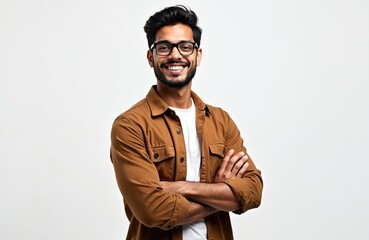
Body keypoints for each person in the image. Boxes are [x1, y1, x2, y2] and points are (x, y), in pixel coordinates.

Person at [110, 5, 263, 240]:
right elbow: (153, 210)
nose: (175, 55)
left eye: (185, 46)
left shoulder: (221, 122)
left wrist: (180, 187)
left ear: (197, 55)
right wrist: (220, 193)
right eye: (164, 47)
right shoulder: (130, 126)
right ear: (151, 58)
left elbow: (252, 191)